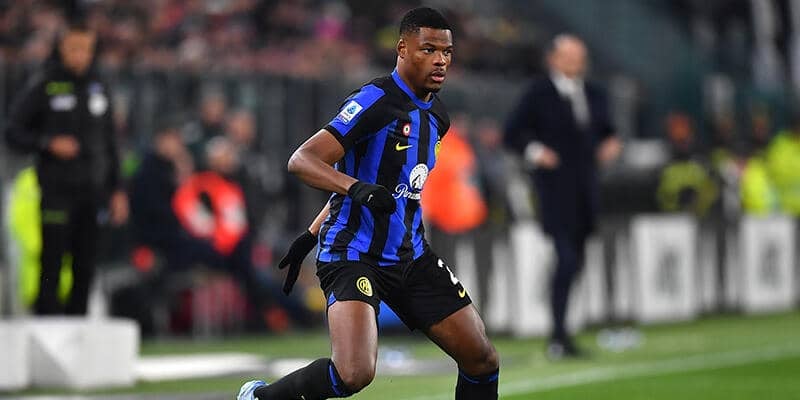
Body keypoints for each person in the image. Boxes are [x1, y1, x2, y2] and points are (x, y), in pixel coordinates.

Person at [238, 7, 499, 400]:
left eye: (447, 52)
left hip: (410, 255)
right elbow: (303, 160)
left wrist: (311, 232)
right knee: (354, 373)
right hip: (353, 253)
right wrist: (354, 190)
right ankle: (261, 398)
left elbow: (388, 186)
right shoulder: (375, 100)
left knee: (481, 358)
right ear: (402, 49)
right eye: (428, 49)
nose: (440, 60)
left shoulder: (438, 118)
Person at [504, 34, 621, 359]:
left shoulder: (595, 93)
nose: (576, 63)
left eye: (580, 57)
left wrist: (611, 144)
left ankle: (563, 330)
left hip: (586, 189)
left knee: (576, 261)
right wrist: (536, 151)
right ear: (553, 59)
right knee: (566, 258)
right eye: (569, 56)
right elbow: (512, 133)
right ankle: (558, 334)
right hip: (554, 191)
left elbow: (608, 131)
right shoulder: (538, 93)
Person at [4, 18, 128, 315]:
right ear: (61, 49)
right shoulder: (46, 85)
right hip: (56, 190)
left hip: (93, 191)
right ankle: (47, 323)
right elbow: (12, 131)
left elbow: (111, 143)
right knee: (53, 259)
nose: (79, 55)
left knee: (86, 263)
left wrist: (118, 189)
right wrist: (48, 143)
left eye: (85, 49)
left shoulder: (100, 87)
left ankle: (79, 325)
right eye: (73, 48)